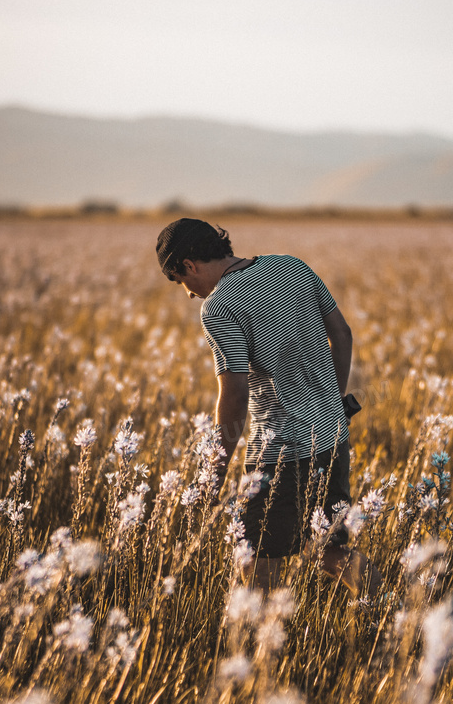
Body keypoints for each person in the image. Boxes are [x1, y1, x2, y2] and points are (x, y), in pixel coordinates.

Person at [157, 217, 381, 598]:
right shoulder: (290, 265)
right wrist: (331, 402)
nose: (190, 294)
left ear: (189, 266)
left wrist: (216, 468)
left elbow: (236, 393)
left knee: (253, 558)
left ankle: (263, 649)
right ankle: (397, 608)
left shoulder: (219, 306)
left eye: (181, 282)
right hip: (332, 435)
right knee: (327, 548)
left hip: (281, 453)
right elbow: (342, 334)